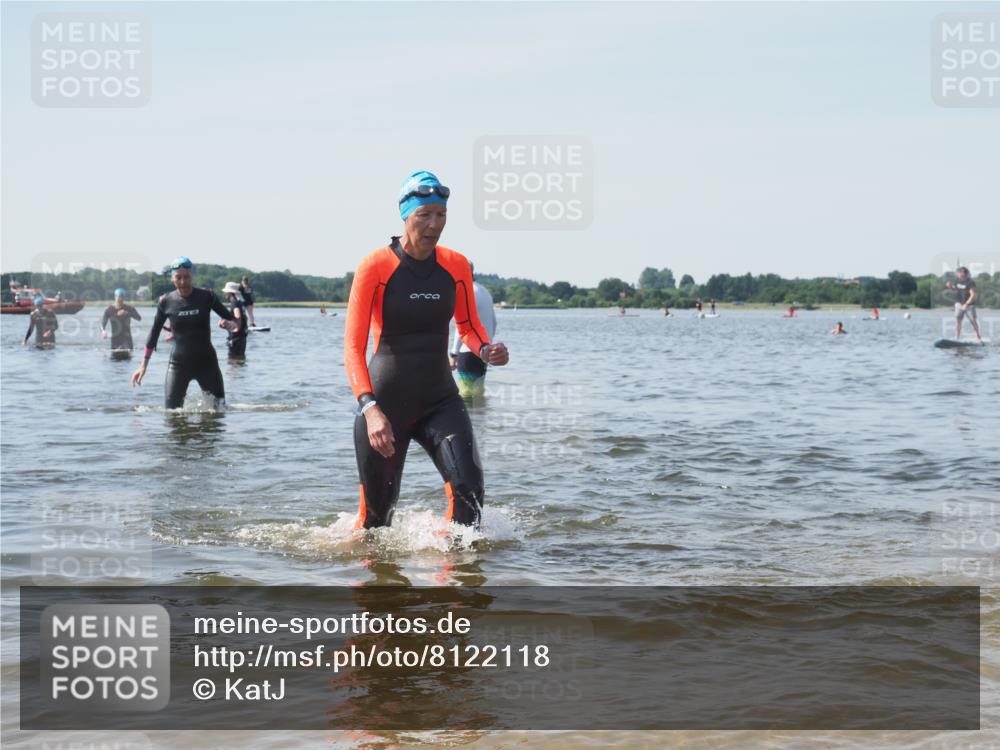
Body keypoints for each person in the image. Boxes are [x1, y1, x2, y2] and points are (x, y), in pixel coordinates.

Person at [344, 170, 509, 530]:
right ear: (405, 215)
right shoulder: (375, 266)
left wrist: (486, 350)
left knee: (470, 495)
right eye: (425, 215)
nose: (434, 224)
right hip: (385, 404)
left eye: (441, 214)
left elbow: (468, 327)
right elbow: (353, 349)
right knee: (376, 521)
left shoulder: (456, 265)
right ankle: (374, 583)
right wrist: (370, 410)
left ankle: (448, 582)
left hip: (440, 400)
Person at [131, 257, 239, 408]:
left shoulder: (207, 296)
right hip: (178, 365)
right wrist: (143, 365)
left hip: (207, 364)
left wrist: (229, 324)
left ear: (192, 276)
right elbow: (154, 333)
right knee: (171, 415)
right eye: (178, 277)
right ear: (172, 279)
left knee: (219, 410)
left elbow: (236, 323)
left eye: (186, 277)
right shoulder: (165, 301)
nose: (183, 282)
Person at [449, 263, 497, 399]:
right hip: (483, 351)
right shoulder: (485, 291)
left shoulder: (468, 292)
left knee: (467, 396)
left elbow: (463, 327)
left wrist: (453, 354)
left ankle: (471, 421)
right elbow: (494, 322)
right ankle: (481, 421)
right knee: (478, 396)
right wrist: (486, 347)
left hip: (467, 352)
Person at [946, 266, 983, 342]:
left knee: (973, 321)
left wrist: (966, 304)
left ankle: (978, 337)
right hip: (959, 304)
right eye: (958, 272)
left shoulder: (970, 282)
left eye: (959, 272)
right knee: (958, 321)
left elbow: (973, 295)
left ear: (963, 273)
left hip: (969, 305)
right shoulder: (957, 280)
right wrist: (950, 286)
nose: (958, 273)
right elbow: (954, 289)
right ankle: (957, 338)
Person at [221, 281, 249, 359]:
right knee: (240, 361)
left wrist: (227, 324)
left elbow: (238, 316)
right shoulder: (240, 303)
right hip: (242, 337)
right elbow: (244, 318)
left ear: (230, 293)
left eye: (226, 292)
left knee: (233, 363)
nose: (225, 294)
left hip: (236, 339)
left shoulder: (234, 303)